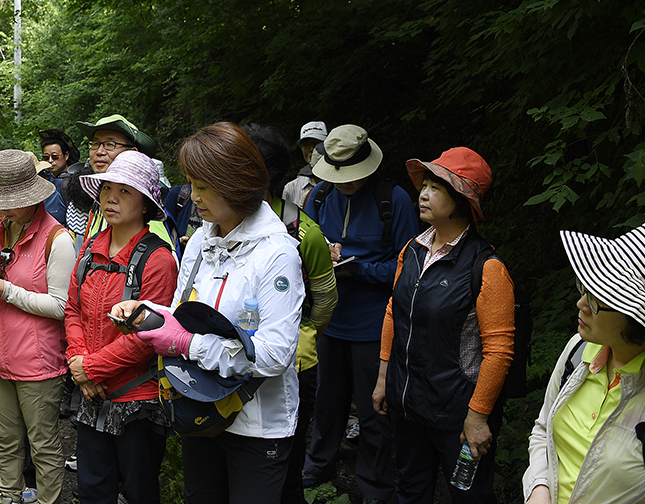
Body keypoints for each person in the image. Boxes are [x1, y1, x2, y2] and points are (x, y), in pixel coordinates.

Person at [113, 122, 305, 503]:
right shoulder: (202, 238)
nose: (192, 196)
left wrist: (186, 344)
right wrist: (149, 313)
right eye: (190, 183)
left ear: (236, 183)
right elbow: (186, 312)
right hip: (202, 412)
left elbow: (273, 355)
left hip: (257, 427)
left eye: (203, 186)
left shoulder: (276, 253)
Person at [372, 148, 514, 504]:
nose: (422, 193)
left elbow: (499, 352)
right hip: (408, 405)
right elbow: (394, 311)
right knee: (410, 491)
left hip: (458, 416)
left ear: (462, 201)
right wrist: (383, 377)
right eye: (425, 185)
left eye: (436, 187)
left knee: (469, 497)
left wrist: (478, 417)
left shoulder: (486, 267)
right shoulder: (413, 249)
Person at [302, 124, 420, 504]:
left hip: (374, 323)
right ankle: (317, 467)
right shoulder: (319, 196)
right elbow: (299, 249)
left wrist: (360, 270)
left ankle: (375, 484)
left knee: (374, 409)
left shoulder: (395, 200)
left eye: (351, 177)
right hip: (329, 320)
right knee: (327, 400)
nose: (345, 184)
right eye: (338, 177)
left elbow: (408, 268)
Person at [64, 151, 178, 504]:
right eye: (107, 188)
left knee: (139, 491)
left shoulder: (157, 260)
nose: (111, 198)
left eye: (125, 191)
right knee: (93, 489)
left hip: (137, 399)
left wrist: (90, 369)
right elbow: (73, 311)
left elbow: (149, 337)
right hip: (91, 394)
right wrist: (79, 362)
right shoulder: (89, 250)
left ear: (146, 204)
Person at [0, 149, 74, 504]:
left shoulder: (58, 240)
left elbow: (62, 306)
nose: (2, 209)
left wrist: (7, 291)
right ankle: (6, 497)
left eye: (10, 202)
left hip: (37, 364)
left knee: (43, 445)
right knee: (6, 441)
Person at [238, 124, 338, 504]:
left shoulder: (302, 231)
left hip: (293, 363)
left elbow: (325, 297)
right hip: (232, 360)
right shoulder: (217, 223)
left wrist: (306, 332)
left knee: (287, 466)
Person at [524, 221, 645, 504]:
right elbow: (544, 429)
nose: (581, 303)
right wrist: (538, 488)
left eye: (597, 300)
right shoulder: (579, 350)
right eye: (585, 289)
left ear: (637, 321)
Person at [61, 114, 174, 253]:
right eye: (95, 144)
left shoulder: (140, 208)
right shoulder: (100, 200)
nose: (99, 152)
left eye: (110, 144)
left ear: (133, 153)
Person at [283, 121, 329, 210]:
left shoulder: (341, 184)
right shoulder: (291, 188)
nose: (312, 149)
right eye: (307, 144)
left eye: (317, 143)